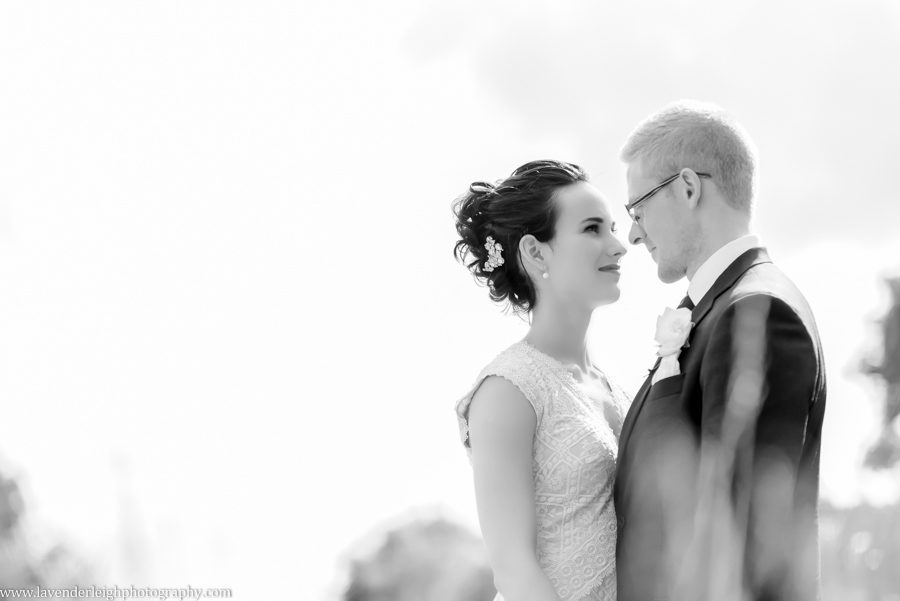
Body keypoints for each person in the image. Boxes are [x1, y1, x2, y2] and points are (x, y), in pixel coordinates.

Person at [613, 101, 827, 601]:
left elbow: (740, 546)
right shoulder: (719, 309)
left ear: (688, 188)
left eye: (638, 209)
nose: (634, 233)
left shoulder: (758, 312)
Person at [452, 160, 629, 601]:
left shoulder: (618, 390)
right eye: (592, 229)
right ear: (535, 252)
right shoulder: (508, 390)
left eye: (612, 228)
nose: (618, 246)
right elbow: (513, 569)